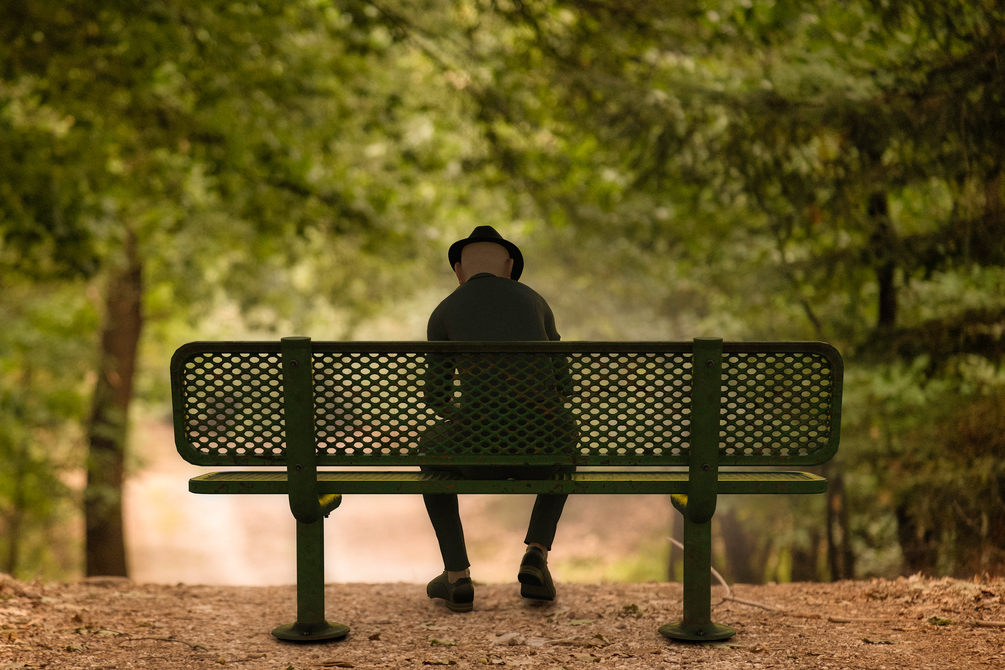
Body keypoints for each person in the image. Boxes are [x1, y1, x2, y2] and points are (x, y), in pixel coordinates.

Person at [421, 226, 576, 612]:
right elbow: (565, 386)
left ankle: (456, 575)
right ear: (508, 268)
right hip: (541, 451)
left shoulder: (444, 311)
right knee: (566, 435)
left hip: (476, 452)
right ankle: (536, 552)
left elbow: (436, 398)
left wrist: (468, 419)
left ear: (459, 270)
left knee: (429, 447)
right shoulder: (537, 302)